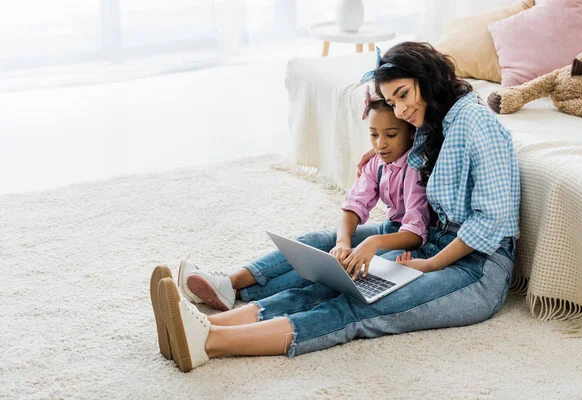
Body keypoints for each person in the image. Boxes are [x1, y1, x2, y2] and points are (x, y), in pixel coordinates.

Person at [150, 41, 520, 373]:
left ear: (427, 78)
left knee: (359, 307)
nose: (401, 109)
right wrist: (378, 150)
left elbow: (492, 220)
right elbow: (404, 145)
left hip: (477, 267)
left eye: (404, 95)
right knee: (329, 281)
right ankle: (202, 326)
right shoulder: (433, 118)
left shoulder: (475, 122)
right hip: (427, 243)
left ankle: (210, 342)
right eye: (393, 102)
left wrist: (431, 264)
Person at [149, 83, 431, 372]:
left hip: (406, 240)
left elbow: (414, 230)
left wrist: (368, 246)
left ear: (411, 132)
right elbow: (354, 206)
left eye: (390, 135)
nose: (380, 144)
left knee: (323, 282)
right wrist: (343, 241)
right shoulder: (378, 162)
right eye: (373, 135)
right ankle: (229, 284)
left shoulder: (414, 168)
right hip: (389, 228)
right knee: (315, 246)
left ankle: (209, 323)